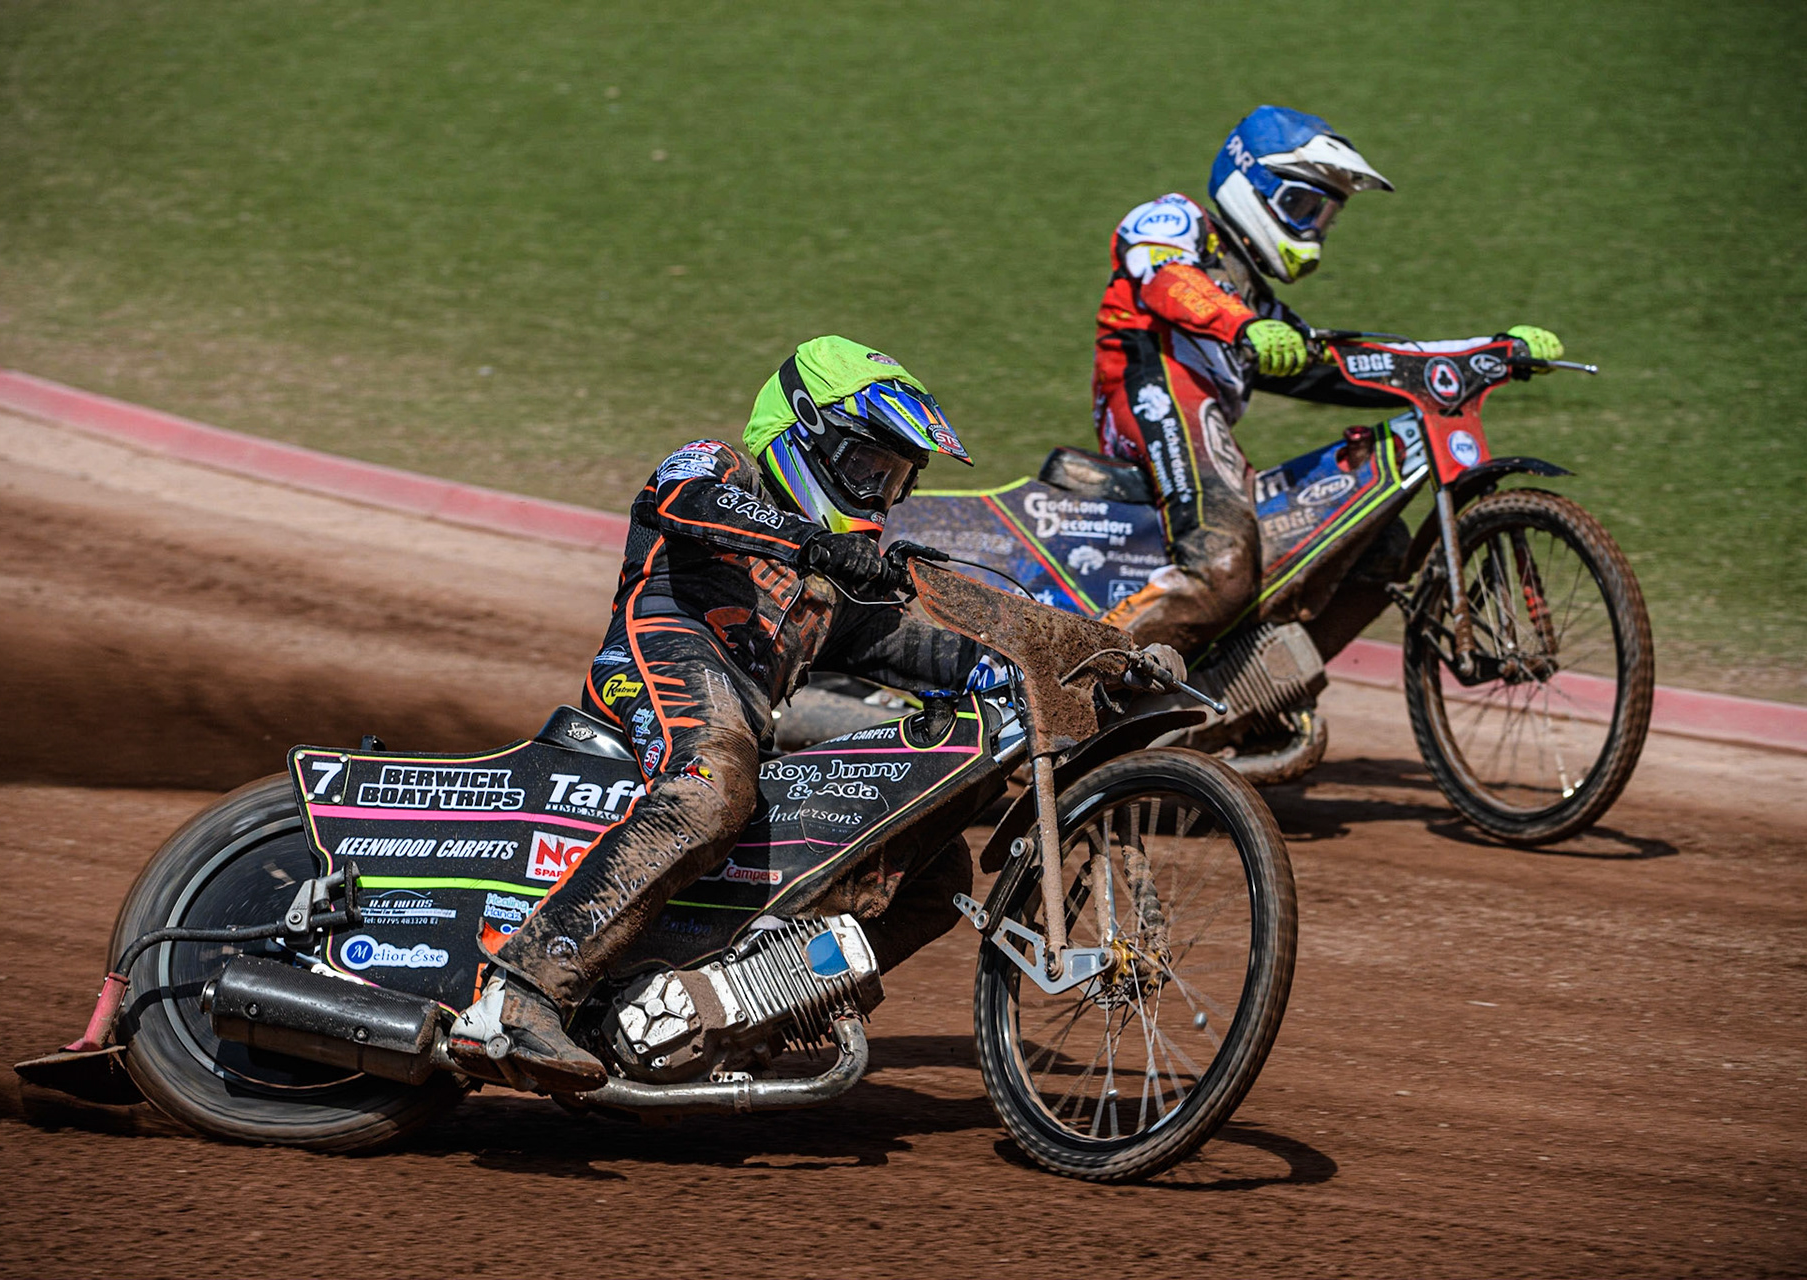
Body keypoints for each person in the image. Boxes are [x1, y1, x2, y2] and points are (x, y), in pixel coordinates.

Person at [477, 335, 1002, 1091]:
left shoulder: (828, 593)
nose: (876, 497)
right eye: (865, 469)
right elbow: (683, 505)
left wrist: (1024, 668)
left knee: (931, 863)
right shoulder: (714, 466)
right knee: (716, 781)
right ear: (801, 435)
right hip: (658, 660)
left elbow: (912, 649)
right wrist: (812, 544)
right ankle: (523, 992)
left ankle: (741, 1008)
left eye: (891, 482)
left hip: (739, 720)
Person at [1093, 104, 1563, 652]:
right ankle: (1077, 677)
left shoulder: (1263, 308)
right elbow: (1164, 276)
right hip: (1150, 393)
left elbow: (1351, 361)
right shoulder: (1176, 219)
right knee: (1222, 565)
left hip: (1208, 411)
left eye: (1324, 216)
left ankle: (1250, 705)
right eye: (1301, 205)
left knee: (1378, 543)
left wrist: (1489, 351)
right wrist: (1242, 325)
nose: (1314, 228)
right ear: (1251, 183)